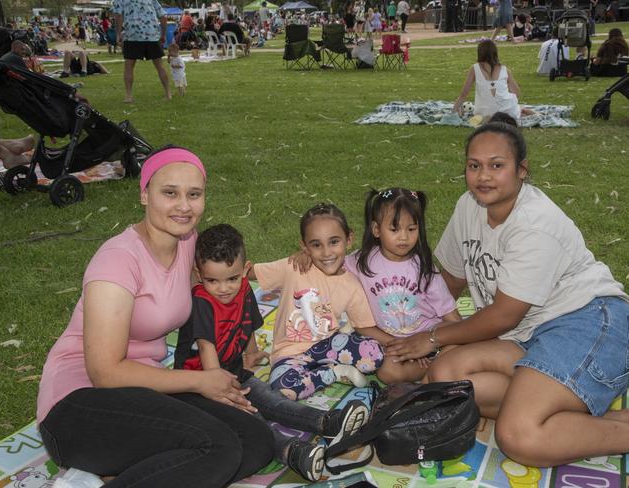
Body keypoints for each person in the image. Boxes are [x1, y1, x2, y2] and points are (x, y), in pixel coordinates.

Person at [387, 118, 629, 467]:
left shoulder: (535, 223)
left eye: (496, 165)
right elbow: (449, 283)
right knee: (443, 377)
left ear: (522, 170)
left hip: (588, 321)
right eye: (474, 166)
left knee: (519, 438)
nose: (483, 176)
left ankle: (559, 414)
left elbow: (503, 315)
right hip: (527, 335)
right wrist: (409, 327)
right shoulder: (468, 207)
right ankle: (558, 404)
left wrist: (434, 337)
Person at [36, 146, 274, 488]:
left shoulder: (188, 244)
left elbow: (230, 271)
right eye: (169, 193)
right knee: (218, 447)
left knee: (255, 440)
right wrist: (199, 380)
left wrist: (300, 262)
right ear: (144, 194)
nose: (183, 205)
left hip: (145, 388)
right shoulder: (117, 260)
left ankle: (127, 473)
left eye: (194, 194)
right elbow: (104, 372)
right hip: (78, 406)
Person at [174, 224, 370, 482]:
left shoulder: (243, 289)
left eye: (231, 278)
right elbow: (207, 351)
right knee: (249, 419)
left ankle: (329, 422)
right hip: (200, 387)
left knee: (272, 401)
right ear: (199, 275)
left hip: (233, 373)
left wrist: (252, 352)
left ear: (245, 270)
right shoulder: (202, 301)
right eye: (212, 280)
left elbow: (246, 322)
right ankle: (293, 452)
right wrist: (224, 394)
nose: (223, 288)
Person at [249, 203, 385, 401]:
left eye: (333, 242)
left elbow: (366, 327)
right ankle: (335, 373)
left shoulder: (352, 285)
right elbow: (249, 273)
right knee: (282, 390)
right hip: (289, 354)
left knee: (374, 354)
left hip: (327, 346)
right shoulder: (293, 267)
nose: (326, 252)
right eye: (316, 245)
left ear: (349, 239)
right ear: (304, 246)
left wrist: (400, 343)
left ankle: (327, 363)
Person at [342, 188, 462, 384]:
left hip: (431, 343)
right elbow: (330, 262)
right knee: (387, 371)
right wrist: (305, 256)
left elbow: (454, 319)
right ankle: (435, 375)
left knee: (458, 345)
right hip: (390, 344)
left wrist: (428, 345)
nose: (404, 237)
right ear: (376, 229)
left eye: (411, 229)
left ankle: (437, 371)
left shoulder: (424, 268)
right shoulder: (362, 261)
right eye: (394, 229)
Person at [112, 0, 172, 103]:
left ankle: (129, 96)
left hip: (132, 35)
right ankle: (168, 93)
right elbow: (163, 16)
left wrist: (118, 34)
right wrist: (163, 35)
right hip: (152, 34)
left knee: (129, 66)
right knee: (159, 66)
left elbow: (118, 16)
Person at [453, 40, 523, 121]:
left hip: (483, 113)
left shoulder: (474, 68)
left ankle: (519, 110)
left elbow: (464, 94)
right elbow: (516, 92)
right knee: (513, 102)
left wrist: (454, 110)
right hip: (507, 112)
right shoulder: (505, 69)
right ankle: (521, 110)